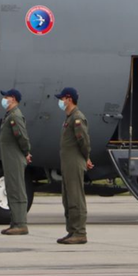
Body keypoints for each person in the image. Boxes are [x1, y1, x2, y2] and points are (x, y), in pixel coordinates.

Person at [56, 87, 93, 245]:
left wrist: (86, 157)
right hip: (68, 162)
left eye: (62, 98)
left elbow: (83, 141)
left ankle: (79, 232)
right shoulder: (69, 118)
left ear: (69, 99)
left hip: (74, 162)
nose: (60, 101)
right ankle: (71, 230)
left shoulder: (77, 118)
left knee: (76, 197)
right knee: (68, 197)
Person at [0, 88, 32, 235]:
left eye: (6, 97)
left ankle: (21, 223)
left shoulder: (15, 116)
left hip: (15, 157)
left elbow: (22, 137)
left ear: (13, 98)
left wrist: (26, 152)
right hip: (9, 157)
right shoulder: (9, 116)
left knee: (17, 189)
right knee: (11, 188)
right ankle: (15, 222)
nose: (4, 99)